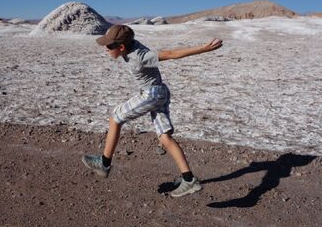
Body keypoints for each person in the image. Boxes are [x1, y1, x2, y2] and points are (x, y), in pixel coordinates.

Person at [82, 24, 223, 197]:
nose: (105, 49)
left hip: (152, 94)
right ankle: (189, 180)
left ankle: (104, 164)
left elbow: (171, 54)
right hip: (159, 92)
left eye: (109, 46)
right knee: (164, 137)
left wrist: (204, 48)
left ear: (121, 47)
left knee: (115, 117)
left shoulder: (141, 56)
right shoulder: (129, 46)